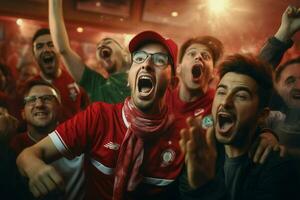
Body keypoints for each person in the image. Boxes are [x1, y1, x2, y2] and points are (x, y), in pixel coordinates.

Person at [17, 30, 186, 200]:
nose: (146, 64)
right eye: (139, 58)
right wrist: (35, 168)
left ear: (173, 82)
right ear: (129, 77)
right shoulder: (98, 117)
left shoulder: (184, 137)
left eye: (159, 60)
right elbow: (28, 155)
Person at [179, 53, 300, 200]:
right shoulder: (203, 152)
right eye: (222, 92)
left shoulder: (278, 169)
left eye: (241, 96)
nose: (226, 102)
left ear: (262, 115)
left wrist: (207, 186)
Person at [11, 79, 85, 200]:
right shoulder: (13, 146)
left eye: (47, 98)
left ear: (59, 109)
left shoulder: (78, 140)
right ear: (23, 113)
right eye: (31, 100)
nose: (39, 104)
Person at [49, 0, 131, 103]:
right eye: (98, 48)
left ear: (125, 53)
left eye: (108, 41)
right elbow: (63, 49)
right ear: (100, 64)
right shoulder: (96, 84)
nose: (101, 46)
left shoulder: (145, 79)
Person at [31, 28, 89, 122]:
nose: (46, 49)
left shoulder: (76, 81)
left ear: (60, 51)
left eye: (51, 44)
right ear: (34, 55)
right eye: (39, 46)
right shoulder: (29, 87)